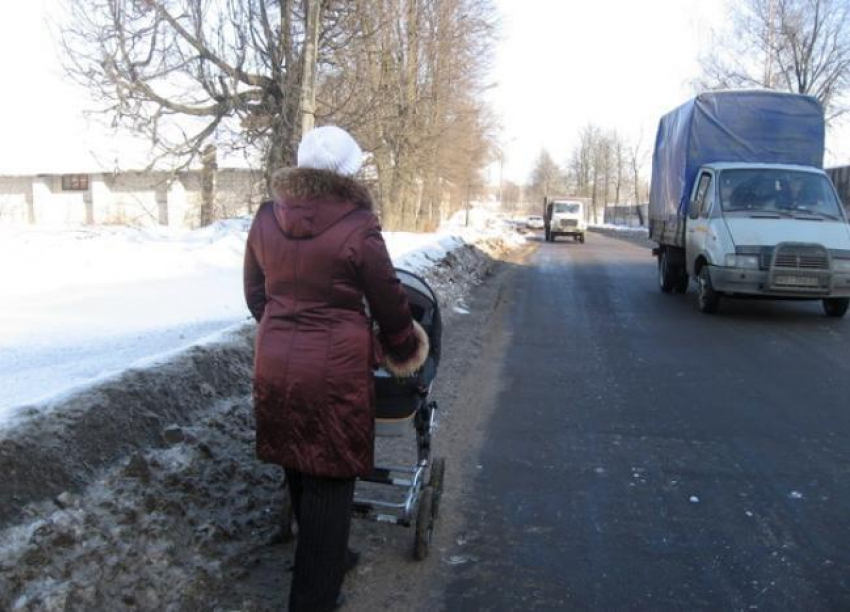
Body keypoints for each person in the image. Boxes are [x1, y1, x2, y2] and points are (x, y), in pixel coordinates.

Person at [243, 125, 429, 611]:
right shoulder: (357, 225)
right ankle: (313, 598)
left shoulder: (266, 217)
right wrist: (404, 347)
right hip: (333, 371)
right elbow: (390, 301)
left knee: (296, 458)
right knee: (329, 477)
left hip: (275, 362)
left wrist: (285, 329)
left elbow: (255, 294)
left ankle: (330, 555)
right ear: (348, 171)